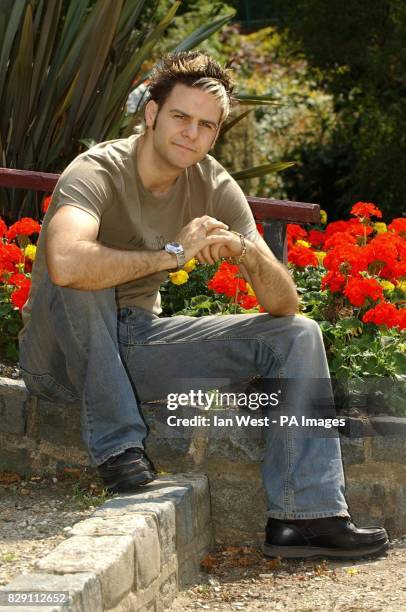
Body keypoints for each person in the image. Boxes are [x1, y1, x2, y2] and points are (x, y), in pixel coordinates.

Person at [18, 51, 389, 560]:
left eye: (205, 125)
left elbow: (285, 302)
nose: (191, 133)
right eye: (180, 117)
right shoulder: (98, 169)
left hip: (134, 346)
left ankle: (306, 516)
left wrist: (245, 253)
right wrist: (172, 255)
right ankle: (120, 448)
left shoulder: (213, 184)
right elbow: (63, 263)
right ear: (151, 114)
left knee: (297, 334)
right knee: (82, 272)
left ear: (215, 134)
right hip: (60, 357)